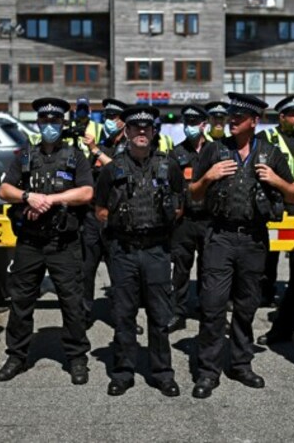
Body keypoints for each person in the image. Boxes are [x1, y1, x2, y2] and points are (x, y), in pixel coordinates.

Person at [190, 92, 294, 399]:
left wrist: (276, 180)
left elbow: (293, 195)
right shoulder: (214, 150)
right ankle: (208, 371)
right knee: (212, 306)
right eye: (230, 118)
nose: (231, 122)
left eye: (238, 119)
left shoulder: (270, 153)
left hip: (254, 239)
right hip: (220, 237)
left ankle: (240, 363)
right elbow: (194, 194)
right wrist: (208, 177)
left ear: (254, 121)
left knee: (246, 305)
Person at [0, 97, 93, 383]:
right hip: (30, 242)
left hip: (64, 243)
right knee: (21, 301)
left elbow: (86, 192)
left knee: (72, 302)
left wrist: (50, 199)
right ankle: (16, 356)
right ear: (38, 123)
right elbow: (4, 190)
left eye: (55, 121)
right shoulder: (25, 155)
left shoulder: (76, 157)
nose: (50, 125)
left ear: (62, 124)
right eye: (45, 121)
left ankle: (76, 358)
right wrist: (28, 196)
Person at [95, 105, 184, 397]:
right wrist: (123, 222)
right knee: (124, 315)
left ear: (154, 131)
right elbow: (100, 209)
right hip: (124, 250)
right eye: (136, 127)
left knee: (160, 316)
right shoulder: (112, 168)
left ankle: (162, 373)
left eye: (147, 128)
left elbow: (179, 205)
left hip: (157, 250)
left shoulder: (168, 165)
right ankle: (122, 372)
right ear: (127, 131)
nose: (141, 132)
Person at [79, 98, 129, 329]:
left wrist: (95, 150)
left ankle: (122, 318)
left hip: (117, 219)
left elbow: (120, 172)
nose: (109, 122)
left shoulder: (131, 147)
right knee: (86, 269)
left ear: (123, 121)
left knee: (119, 272)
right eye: (106, 117)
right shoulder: (102, 145)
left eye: (113, 117)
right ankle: (84, 313)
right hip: (92, 217)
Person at [256, 95, 294, 307]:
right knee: (270, 251)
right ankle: (266, 292)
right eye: (293, 115)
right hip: (275, 201)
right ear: (282, 117)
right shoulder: (266, 137)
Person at [167, 104, 211, 331]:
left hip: (209, 219)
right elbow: (171, 187)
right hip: (184, 221)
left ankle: (207, 310)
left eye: (194, 123)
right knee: (181, 269)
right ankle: (178, 312)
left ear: (204, 125)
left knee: (209, 268)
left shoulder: (215, 151)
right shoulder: (176, 153)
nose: (189, 127)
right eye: (187, 123)